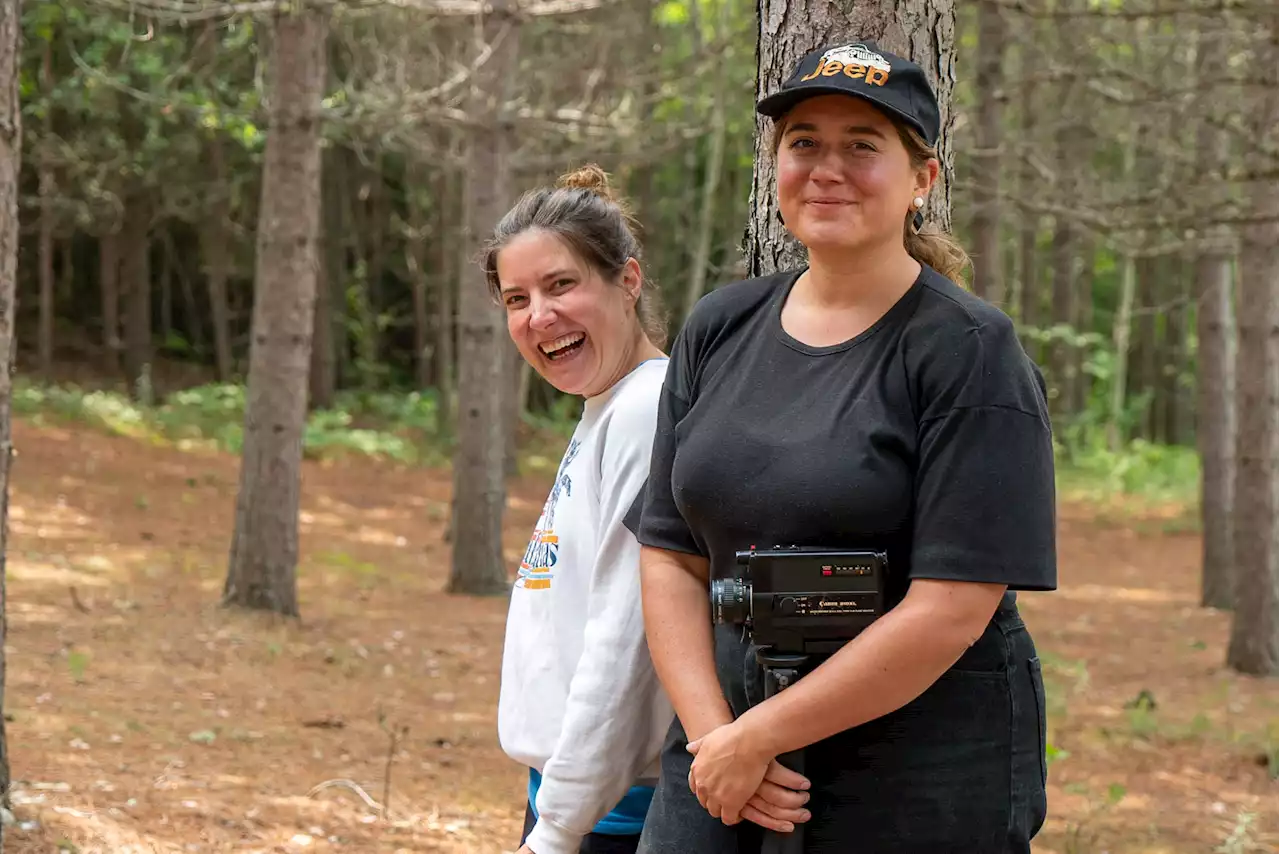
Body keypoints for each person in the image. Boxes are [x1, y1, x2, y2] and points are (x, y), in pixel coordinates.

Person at [626, 41, 1057, 853]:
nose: (828, 167)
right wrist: (717, 736)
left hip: (919, 751)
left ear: (921, 180)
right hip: (723, 741)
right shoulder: (720, 327)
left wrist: (758, 738)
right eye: (804, 143)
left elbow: (950, 609)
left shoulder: (969, 351)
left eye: (863, 146)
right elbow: (669, 554)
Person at [491, 164, 678, 854]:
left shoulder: (646, 411)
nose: (538, 316)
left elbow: (627, 638)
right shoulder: (606, 407)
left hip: (610, 815)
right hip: (572, 798)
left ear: (627, 282)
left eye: (561, 284)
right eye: (516, 298)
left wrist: (559, 830)